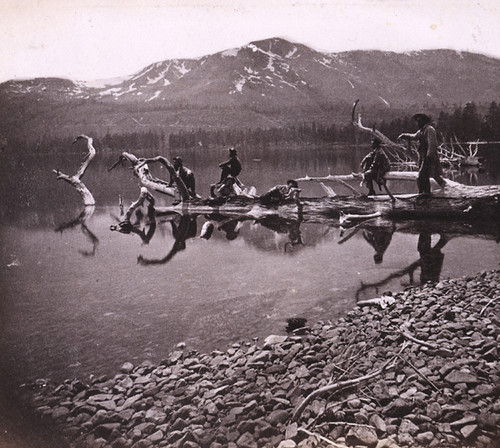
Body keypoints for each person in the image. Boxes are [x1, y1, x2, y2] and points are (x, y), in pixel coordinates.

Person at [398, 113, 445, 195]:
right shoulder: (421, 130)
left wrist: (429, 156)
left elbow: (432, 144)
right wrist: (404, 135)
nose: (417, 123)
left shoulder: (429, 129)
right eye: (417, 121)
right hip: (423, 156)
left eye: (419, 121)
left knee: (422, 176)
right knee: (427, 176)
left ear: (424, 121)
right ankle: (426, 193)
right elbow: (414, 136)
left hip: (428, 157)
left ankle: (425, 194)